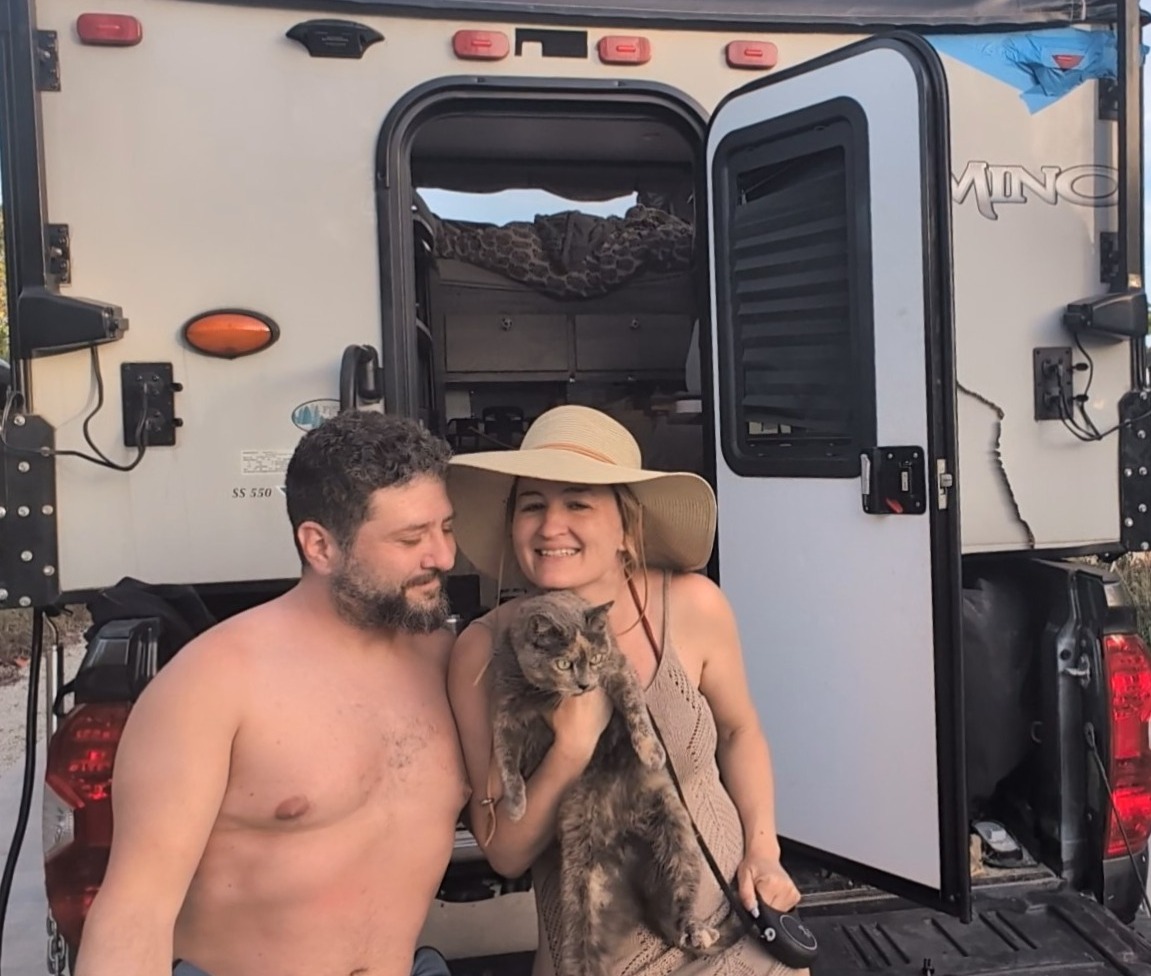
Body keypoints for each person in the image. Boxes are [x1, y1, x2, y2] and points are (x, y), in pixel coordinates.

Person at [75, 411, 467, 976]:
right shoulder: (213, 683)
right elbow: (135, 914)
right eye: (411, 538)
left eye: (445, 528)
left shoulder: (442, 659)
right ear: (320, 546)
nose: (443, 557)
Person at [446, 404, 807, 976]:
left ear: (625, 525)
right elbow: (505, 849)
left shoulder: (691, 606)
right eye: (532, 504)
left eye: (578, 502)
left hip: (734, 934)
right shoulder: (481, 651)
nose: (550, 526)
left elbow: (741, 732)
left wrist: (765, 851)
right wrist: (570, 747)